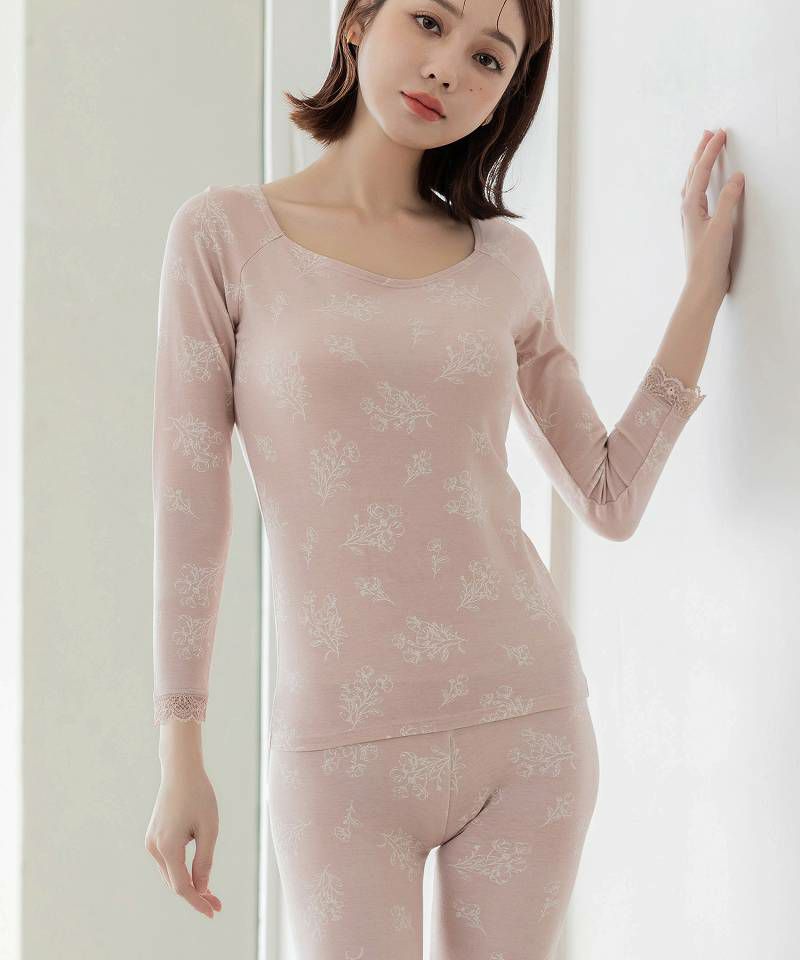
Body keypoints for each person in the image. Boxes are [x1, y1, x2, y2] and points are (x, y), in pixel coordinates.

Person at [144, 0, 745, 954]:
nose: (447, 69)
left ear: (506, 94)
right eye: (428, 22)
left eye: (488, 58)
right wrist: (181, 747)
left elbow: (608, 495)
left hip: (529, 729)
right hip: (340, 758)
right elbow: (190, 504)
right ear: (358, 22)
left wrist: (703, 291)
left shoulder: (505, 261)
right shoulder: (223, 236)